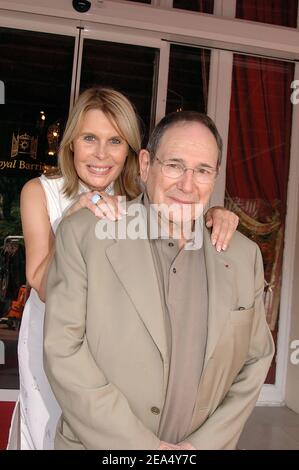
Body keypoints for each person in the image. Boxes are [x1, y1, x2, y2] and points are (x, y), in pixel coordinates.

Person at [8, 88, 238, 450]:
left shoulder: (135, 194)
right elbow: (38, 281)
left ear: (133, 151)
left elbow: (180, 211)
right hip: (52, 332)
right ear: (71, 144)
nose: (101, 154)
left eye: (115, 140)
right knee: (49, 425)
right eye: (89, 138)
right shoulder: (41, 192)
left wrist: (212, 216)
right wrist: (73, 221)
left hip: (111, 340)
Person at [43, 110, 274, 450]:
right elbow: (63, 350)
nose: (187, 184)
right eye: (175, 165)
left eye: (202, 170)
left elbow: (256, 359)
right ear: (146, 164)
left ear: (215, 176)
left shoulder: (243, 256)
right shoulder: (85, 235)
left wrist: (202, 447)